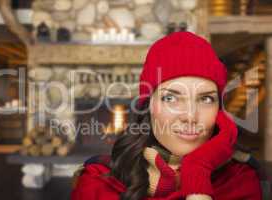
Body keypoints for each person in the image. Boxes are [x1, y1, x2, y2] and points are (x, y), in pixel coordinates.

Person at [70, 31, 263, 200]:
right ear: (149, 106)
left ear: (219, 111)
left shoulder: (240, 181)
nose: (190, 116)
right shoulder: (97, 183)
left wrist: (197, 171)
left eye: (205, 99)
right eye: (171, 98)